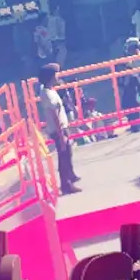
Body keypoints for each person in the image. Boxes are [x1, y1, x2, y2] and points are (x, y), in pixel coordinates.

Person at [37, 64, 80, 194]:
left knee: (68, 151)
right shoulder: (48, 95)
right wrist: (61, 136)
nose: (58, 76)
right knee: (63, 156)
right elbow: (55, 116)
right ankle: (66, 184)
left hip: (61, 127)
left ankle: (70, 175)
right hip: (58, 130)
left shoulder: (48, 90)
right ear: (50, 77)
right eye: (56, 74)